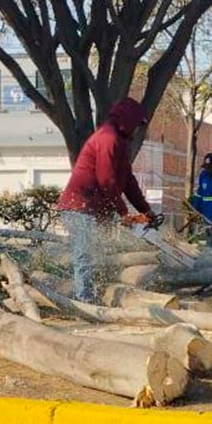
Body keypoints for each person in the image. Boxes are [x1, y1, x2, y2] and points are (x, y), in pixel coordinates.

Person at [57, 97, 157, 302]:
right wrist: (123, 212)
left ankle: (97, 293)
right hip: (79, 205)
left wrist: (145, 210)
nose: (138, 130)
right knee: (84, 254)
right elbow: (107, 180)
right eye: (137, 125)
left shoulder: (120, 141)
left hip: (96, 207)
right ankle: (83, 299)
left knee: (100, 253)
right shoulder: (107, 139)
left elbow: (127, 180)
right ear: (128, 120)